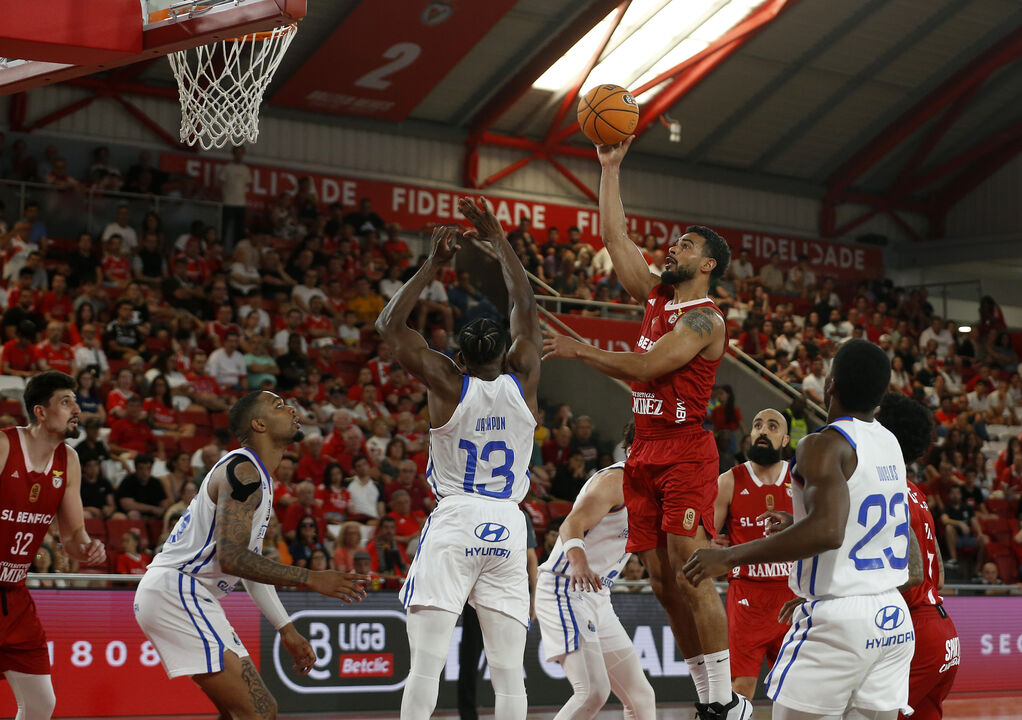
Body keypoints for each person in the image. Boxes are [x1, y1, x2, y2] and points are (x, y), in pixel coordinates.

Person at [541, 137, 743, 718]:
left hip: (685, 452)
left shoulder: (705, 319)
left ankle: (725, 700)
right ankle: (708, 699)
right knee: (660, 581)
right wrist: (610, 168)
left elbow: (651, 366)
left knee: (689, 563)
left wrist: (581, 351)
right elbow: (613, 238)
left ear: (706, 265)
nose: (672, 248)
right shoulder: (657, 298)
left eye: (686, 245)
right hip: (645, 450)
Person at [685, 339, 917, 720]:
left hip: (840, 620)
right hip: (891, 615)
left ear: (830, 385)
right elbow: (863, 519)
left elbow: (828, 531)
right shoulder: (889, 442)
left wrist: (728, 556)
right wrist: (798, 524)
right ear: (880, 396)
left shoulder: (821, 444)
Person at [376, 198, 541, 720]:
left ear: (460, 357)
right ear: (507, 353)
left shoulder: (446, 383)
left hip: (458, 518)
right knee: (510, 675)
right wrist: (498, 239)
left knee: (425, 667)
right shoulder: (526, 379)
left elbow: (389, 326)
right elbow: (524, 302)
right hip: (508, 524)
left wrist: (433, 264)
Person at [134, 391, 368, 720]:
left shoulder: (256, 474)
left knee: (238, 713)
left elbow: (247, 564)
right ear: (258, 424)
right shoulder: (243, 471)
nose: (290, 408)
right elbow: (233, 559)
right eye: (278, 405)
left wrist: (286, 628)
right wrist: (312, 578)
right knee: (261, 711)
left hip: (184, 592)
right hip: (178, 589)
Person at [0, 371, 106, 719]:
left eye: (76, 401)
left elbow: (73, 537)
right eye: (66, 401)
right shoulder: (4, 446)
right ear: (40, 411)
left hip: (14, 596)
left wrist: (88, 548)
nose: (77, 408)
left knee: (41, 703)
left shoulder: (69, 461)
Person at [534, 423, 656, 720]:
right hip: (565, 586)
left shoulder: (653, 488)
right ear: (633, 451)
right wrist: (579, 563)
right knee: (592, 692)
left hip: (597, 596)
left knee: (641, 697)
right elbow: (570, 524)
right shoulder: (616, 480)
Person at [875, 393, 960, 720]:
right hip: (944, 632)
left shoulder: (885, 490)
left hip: (915, 632)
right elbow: (937, 572)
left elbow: (914, 573)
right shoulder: (915, 490)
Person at [712, 408, 795, 700]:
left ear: (785, 439)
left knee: (794, 690)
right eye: (758, 425)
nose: (762, 431)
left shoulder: (801, 480)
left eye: (772, 427)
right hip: (747, 596)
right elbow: (704, 534)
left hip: (793, 595)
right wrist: (707, 545)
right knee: (741, 688)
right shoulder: (729, 480)